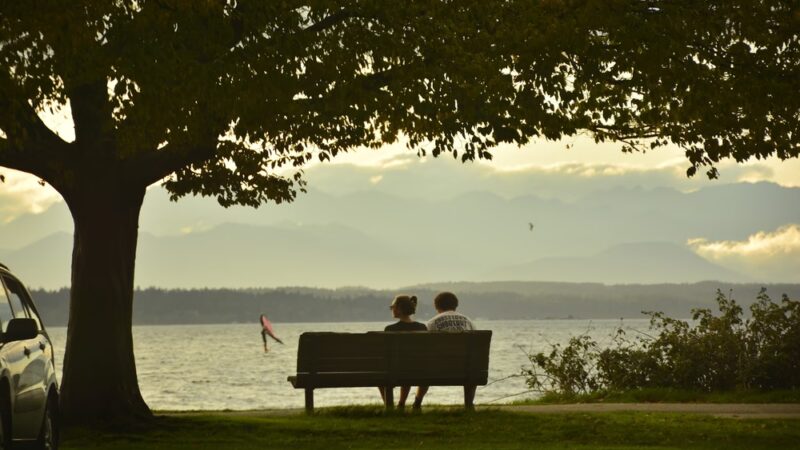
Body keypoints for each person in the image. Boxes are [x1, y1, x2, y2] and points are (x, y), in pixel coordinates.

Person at [413, 291, 476, 409]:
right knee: (471, 367)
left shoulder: (431, 323)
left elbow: (424, 348)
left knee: (425, 365)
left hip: (435, 369)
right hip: (465, 368)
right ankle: (469, 404)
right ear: (456, 305)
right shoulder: (468, 321)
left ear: (436, 306)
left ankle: (417, 402)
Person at [380, 295, 427, 409]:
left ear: (399, 309)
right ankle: (402, 404)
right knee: (409, 366)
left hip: (394, 370)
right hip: (419, 370)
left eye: (392, 307)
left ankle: (389, 406)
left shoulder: (390, 329)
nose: (391, 309)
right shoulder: (422, 327)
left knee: (381, 378)